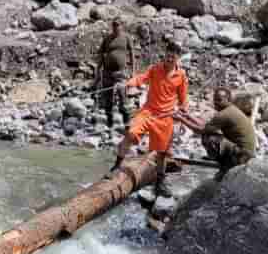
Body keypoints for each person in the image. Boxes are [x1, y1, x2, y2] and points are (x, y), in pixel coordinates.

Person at [112, 40, 189, 197]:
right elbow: (141, 78)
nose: (168, 60)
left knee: (161, 153)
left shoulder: (181, 75)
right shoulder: (155, 69)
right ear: (164, 55)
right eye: (167, 57)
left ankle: (160, 182)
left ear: (177, 59)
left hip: (166, 117)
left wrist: (183, 115)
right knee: (131, 134)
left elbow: (183, 99)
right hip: (148, 112)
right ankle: (116, 166)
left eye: (172, 58)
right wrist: (128, 84)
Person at [175, 87, 256, 177]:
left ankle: (227, 164)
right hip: (245, 152)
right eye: (214, 100)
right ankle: (226, 162)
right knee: (210, 133)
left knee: (209, 137)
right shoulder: (230, 110)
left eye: (219, 100)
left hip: (242, 155)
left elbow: (201, 130)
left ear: (229, 100)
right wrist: (188, 116)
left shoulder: (224, 114)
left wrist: (181, 119)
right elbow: (206, 126)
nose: (215, 103)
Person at [95, 20, 135, 129]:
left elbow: (132, 54)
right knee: (107, 98)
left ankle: (127, 123)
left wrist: (133, 71)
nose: (116, 27)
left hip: (121, 73)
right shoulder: (107, 39)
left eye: (118, 25)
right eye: (114, 25)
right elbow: (101, 55)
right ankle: (109, 123)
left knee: (122, 97)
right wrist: (98, 72)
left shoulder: (126, 38)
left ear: (122, 26)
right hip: (107, 72)